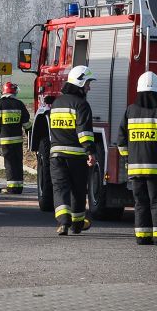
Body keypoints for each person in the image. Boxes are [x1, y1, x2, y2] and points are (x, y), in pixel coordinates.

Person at [118, 72, 157, 245]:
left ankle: (142, 236)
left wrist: (128, 160)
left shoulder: (130, 111)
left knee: (140, 203)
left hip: (135, 169)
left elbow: (121, 142)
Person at [49, 65, 96, 235]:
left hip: (56, 155)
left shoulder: (56, 103)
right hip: (76, 155)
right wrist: (90, 151)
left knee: (60, 188)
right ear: (80, 83)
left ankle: (63, 222)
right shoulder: (81, 105)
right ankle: (77, 224)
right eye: (88, 83)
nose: (89, 87)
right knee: (77, 189)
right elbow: (84, 133)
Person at [0, 81, 31, 194]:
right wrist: (31, 137)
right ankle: (19, 187)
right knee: (18, 162)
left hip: (5, 140)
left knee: (9, 163)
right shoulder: (20, 104)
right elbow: (27, 124)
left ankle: (11, 187)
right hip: (18, 140)